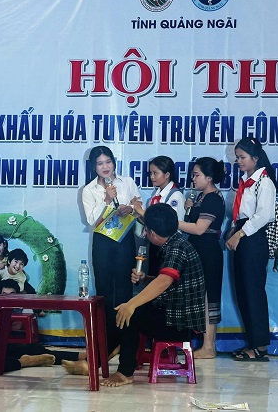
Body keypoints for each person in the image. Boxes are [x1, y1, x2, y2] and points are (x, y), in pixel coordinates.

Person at [99, 203, 206, 387]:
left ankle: (124, 372)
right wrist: (145, 279)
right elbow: (169, 281)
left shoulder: (176, 248)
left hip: (180, 323)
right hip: (174, 313)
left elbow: (164, 281)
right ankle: (96, 361)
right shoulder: (176, 242)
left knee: (128, 314)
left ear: (153, 233)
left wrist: (131, 305)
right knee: (125, 310)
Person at [81, 145, 142, 357]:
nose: (105, 167)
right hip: (103, 242)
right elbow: (91, 220)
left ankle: (125, 343)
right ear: (94, 167)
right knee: (105, 291)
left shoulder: (127, 182)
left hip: (124, 239)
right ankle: (107, 341)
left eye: (108, 162)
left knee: (124, 290)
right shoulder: (89, 190)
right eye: (100, 163)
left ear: (114, 162)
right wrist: (106, 201)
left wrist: (130, 209)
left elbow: (139, 208)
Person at [225, 137, 277, 362]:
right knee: (243, 291)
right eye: (237, 157)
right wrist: (232, 230)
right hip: (241, 232)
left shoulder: (264, 182)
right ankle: (252, 343)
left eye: (242, 157)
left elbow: (264, 215)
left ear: (255, 158)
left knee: (253, 291)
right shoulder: (245, 181)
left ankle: (260, 346)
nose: (239, 161)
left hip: (253, 237)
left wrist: (240, 233)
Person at [177, 157, 226, 359]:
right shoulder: (201, 197)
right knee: (200, 297)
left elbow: (199, 228)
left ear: (209, 177)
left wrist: (172, 222)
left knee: (209, 298)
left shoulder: (213, 198)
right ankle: (205, 345)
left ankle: (209, 346)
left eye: (197, 175)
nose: (193, 179)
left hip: (208, 252)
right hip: (197, 251)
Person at [131, 155, 185, 276]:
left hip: (169, 246)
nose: (152, 177)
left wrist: (141, 210)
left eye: (155, 173)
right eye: (150, 173)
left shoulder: (175, 196)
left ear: (167, 174)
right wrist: (137, 213)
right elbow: (150, 222)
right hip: (155, 243)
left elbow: (165, 224)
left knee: (165, 279)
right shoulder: (156, 195)